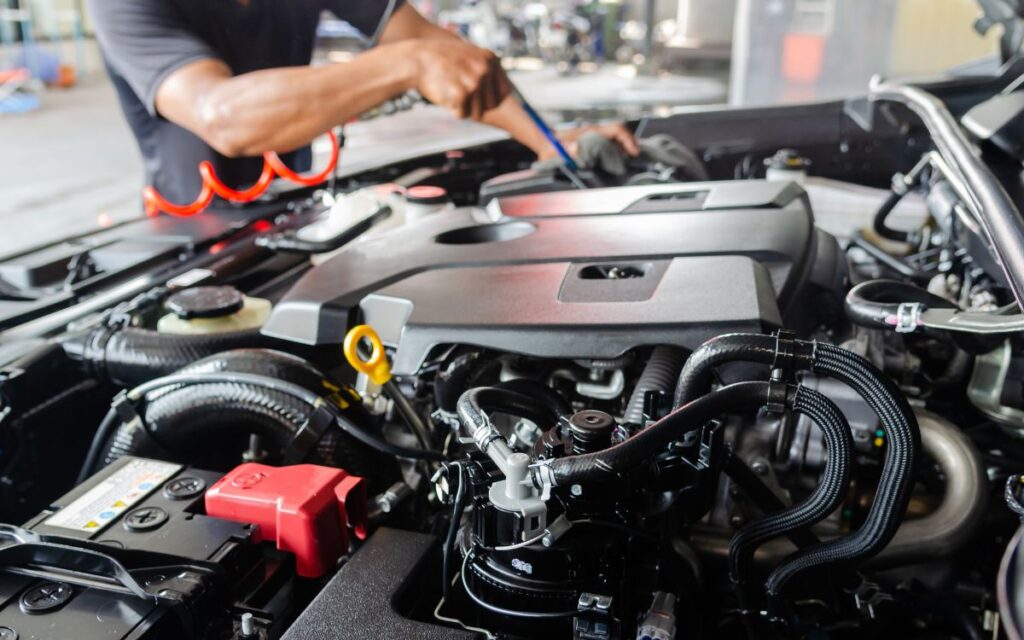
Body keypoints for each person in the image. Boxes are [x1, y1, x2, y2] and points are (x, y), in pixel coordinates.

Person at [87, 0, 640, 205]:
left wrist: (551, 143)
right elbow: (222, 116)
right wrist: (406, 64)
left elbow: (449, 59)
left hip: (295, 213)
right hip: (190, 243)